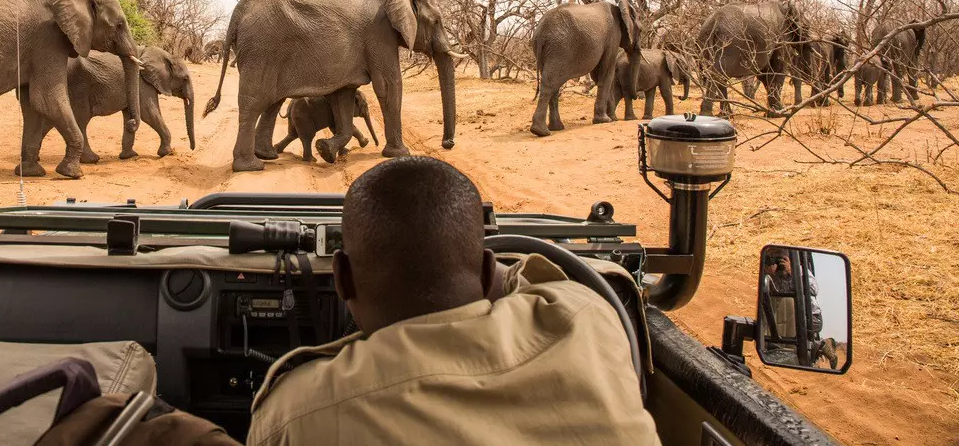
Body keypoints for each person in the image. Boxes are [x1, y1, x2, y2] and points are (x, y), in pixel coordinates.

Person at [247, 156, 660, 445]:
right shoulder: (585, 317)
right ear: (485, 272)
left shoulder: (294, 416)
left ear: (341, 278)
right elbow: (526, 278)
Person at [760, 247, 824, 367]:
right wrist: (769, 273)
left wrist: (792, 272)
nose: (778, 262)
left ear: (788, 258)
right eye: (773, 258)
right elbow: (769, 296)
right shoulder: (771, 274)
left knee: (801, 332)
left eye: (781, 258)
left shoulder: (799, 270)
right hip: (786, 316)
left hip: (811, 316)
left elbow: (814, 289)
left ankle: (820, 346)